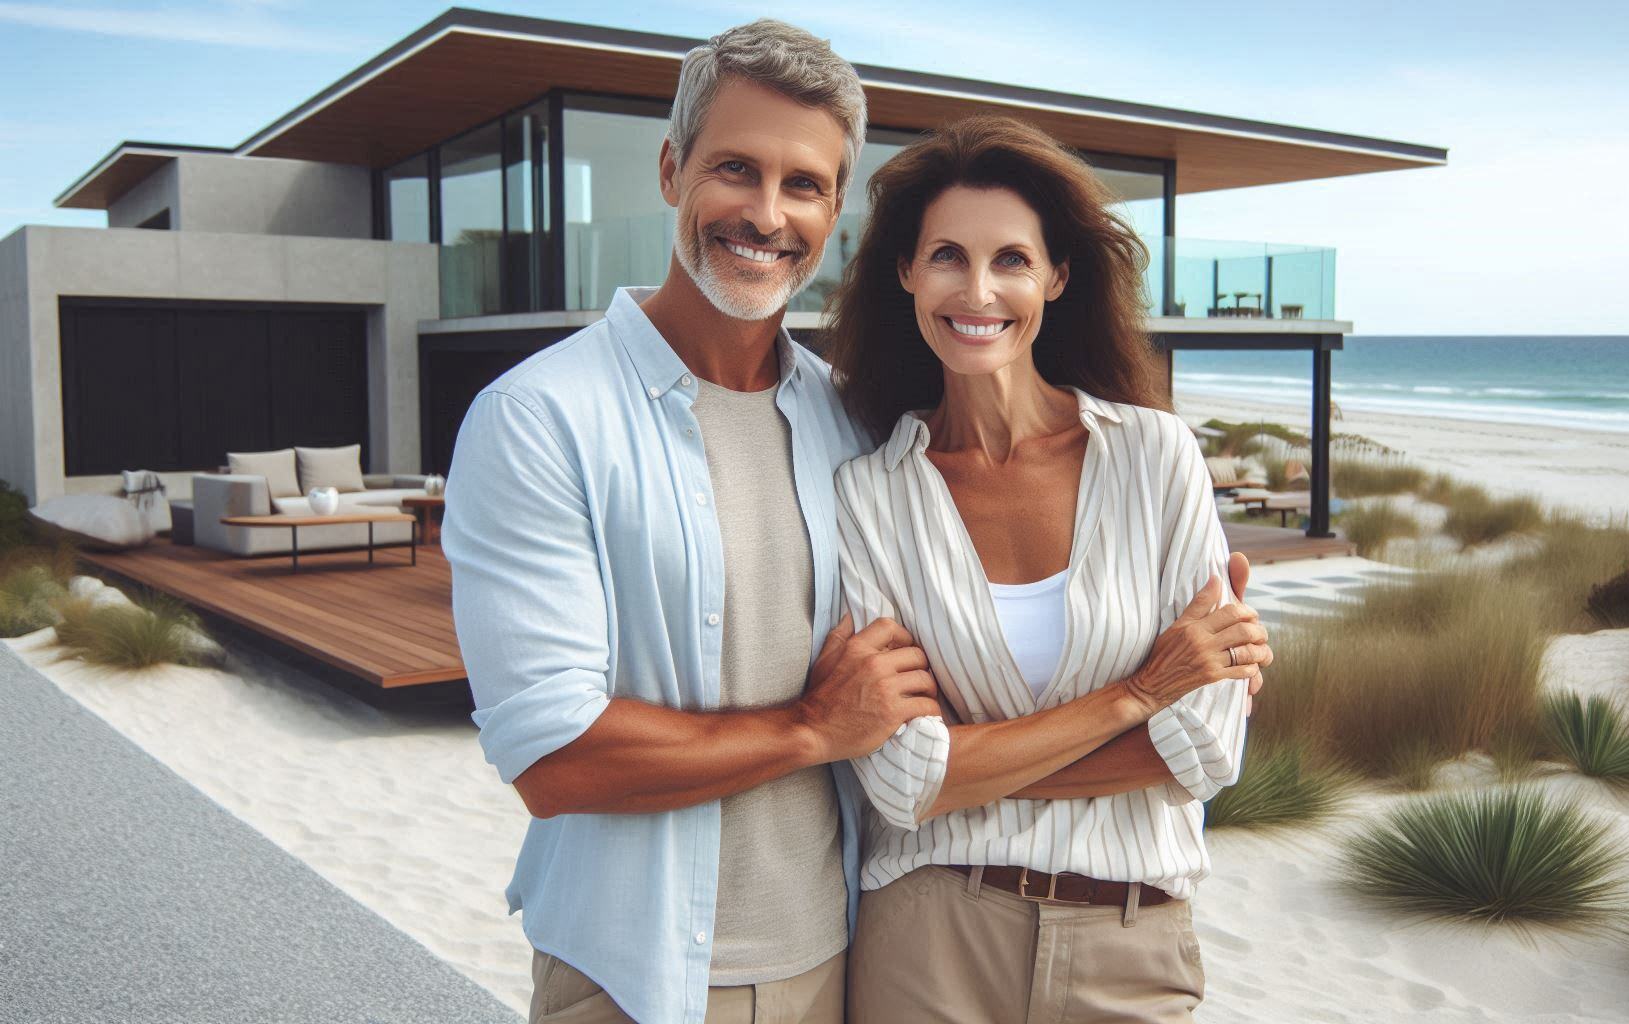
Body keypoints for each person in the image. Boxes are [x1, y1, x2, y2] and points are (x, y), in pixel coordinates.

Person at [442, 21, 938, 1024]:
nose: (765, 214)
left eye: (803, 184)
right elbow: (553, 755)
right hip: (630, 977)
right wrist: (809, 727)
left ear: (835, 208)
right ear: (672, 170)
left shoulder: (850, 418)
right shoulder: (539, 416)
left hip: (835, 957)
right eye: (735, 169)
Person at [825, 115, 1272, 1023]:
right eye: (947, 255)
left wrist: (968, 768)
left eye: (1012, 261)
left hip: (1130, 942)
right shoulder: (868, 496)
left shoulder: (1156, 457)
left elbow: (1210, 746)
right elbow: (904, 781)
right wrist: (1139, 693)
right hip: (930, 938)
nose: (978, 289)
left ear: (1057, 276)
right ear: (906, 273)